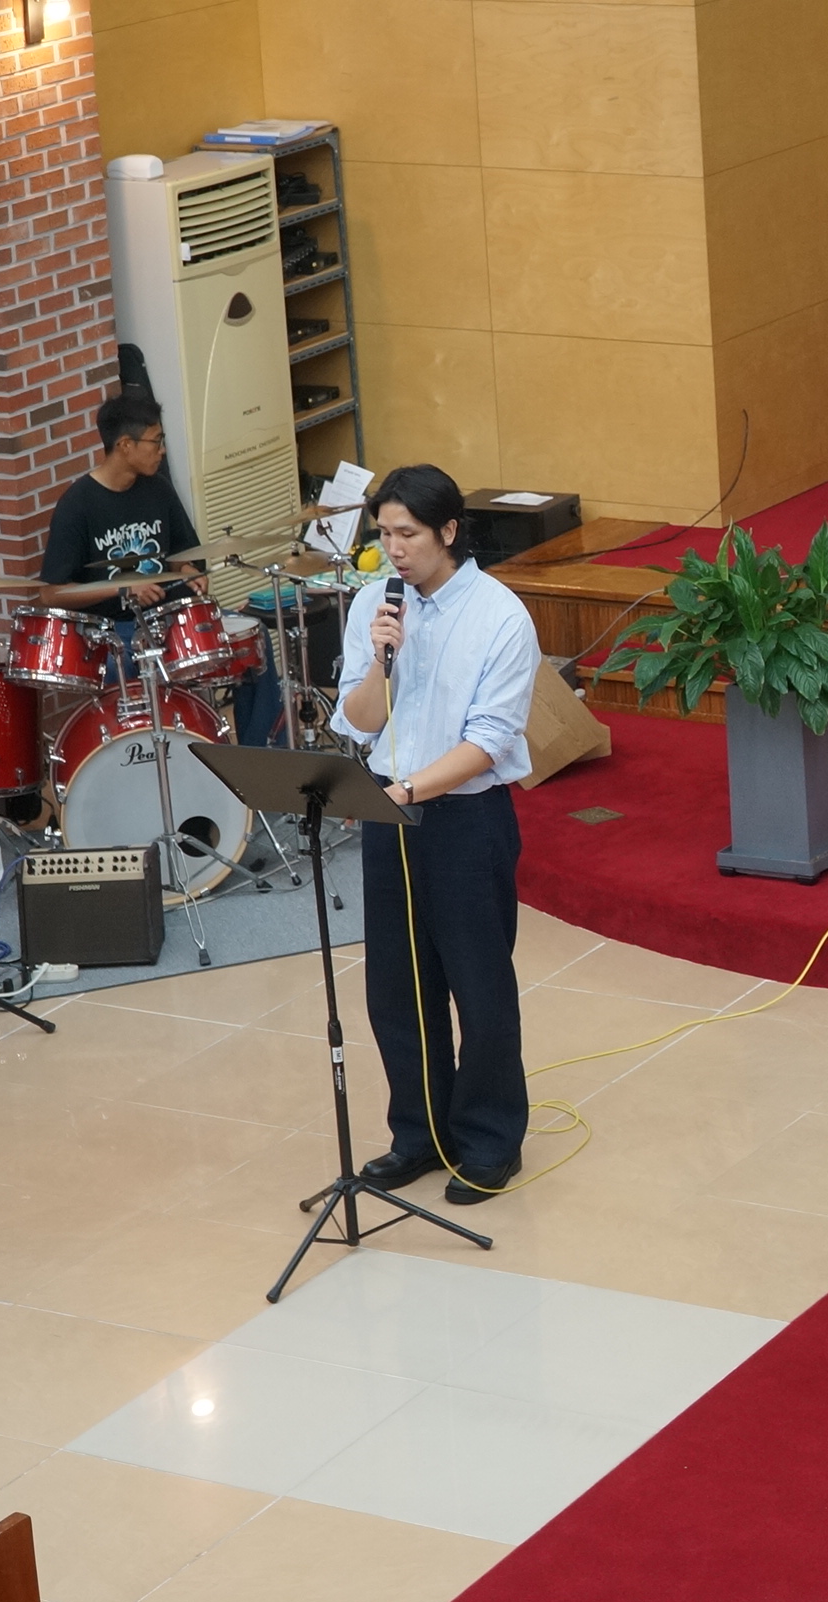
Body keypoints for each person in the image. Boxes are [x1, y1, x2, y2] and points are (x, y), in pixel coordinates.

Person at [332, 464, 542, 1205]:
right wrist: (382, 661)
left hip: (465, 820)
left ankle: (488, 1141)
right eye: (384, 534)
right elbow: (358, 719)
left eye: (408, 534)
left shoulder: (500, 617)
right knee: (397, 987)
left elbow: (487, 742)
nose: (394, 549)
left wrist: (405, 792)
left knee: (478, 987)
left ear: (449, 531)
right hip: (391, 813)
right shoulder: (373, 605)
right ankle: (419, 1134)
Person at [38, 391, 283, 747]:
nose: (162, 450)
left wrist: (188, 572)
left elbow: (184, 555)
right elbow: (50, 593)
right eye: (156, 441)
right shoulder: (78, 505)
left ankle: (264, 757)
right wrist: (123, 589)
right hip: (114, 630)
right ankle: (155, 756)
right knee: (136, 664)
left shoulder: (158, 489)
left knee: (253, 636)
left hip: (171, 618)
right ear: (125, 445)